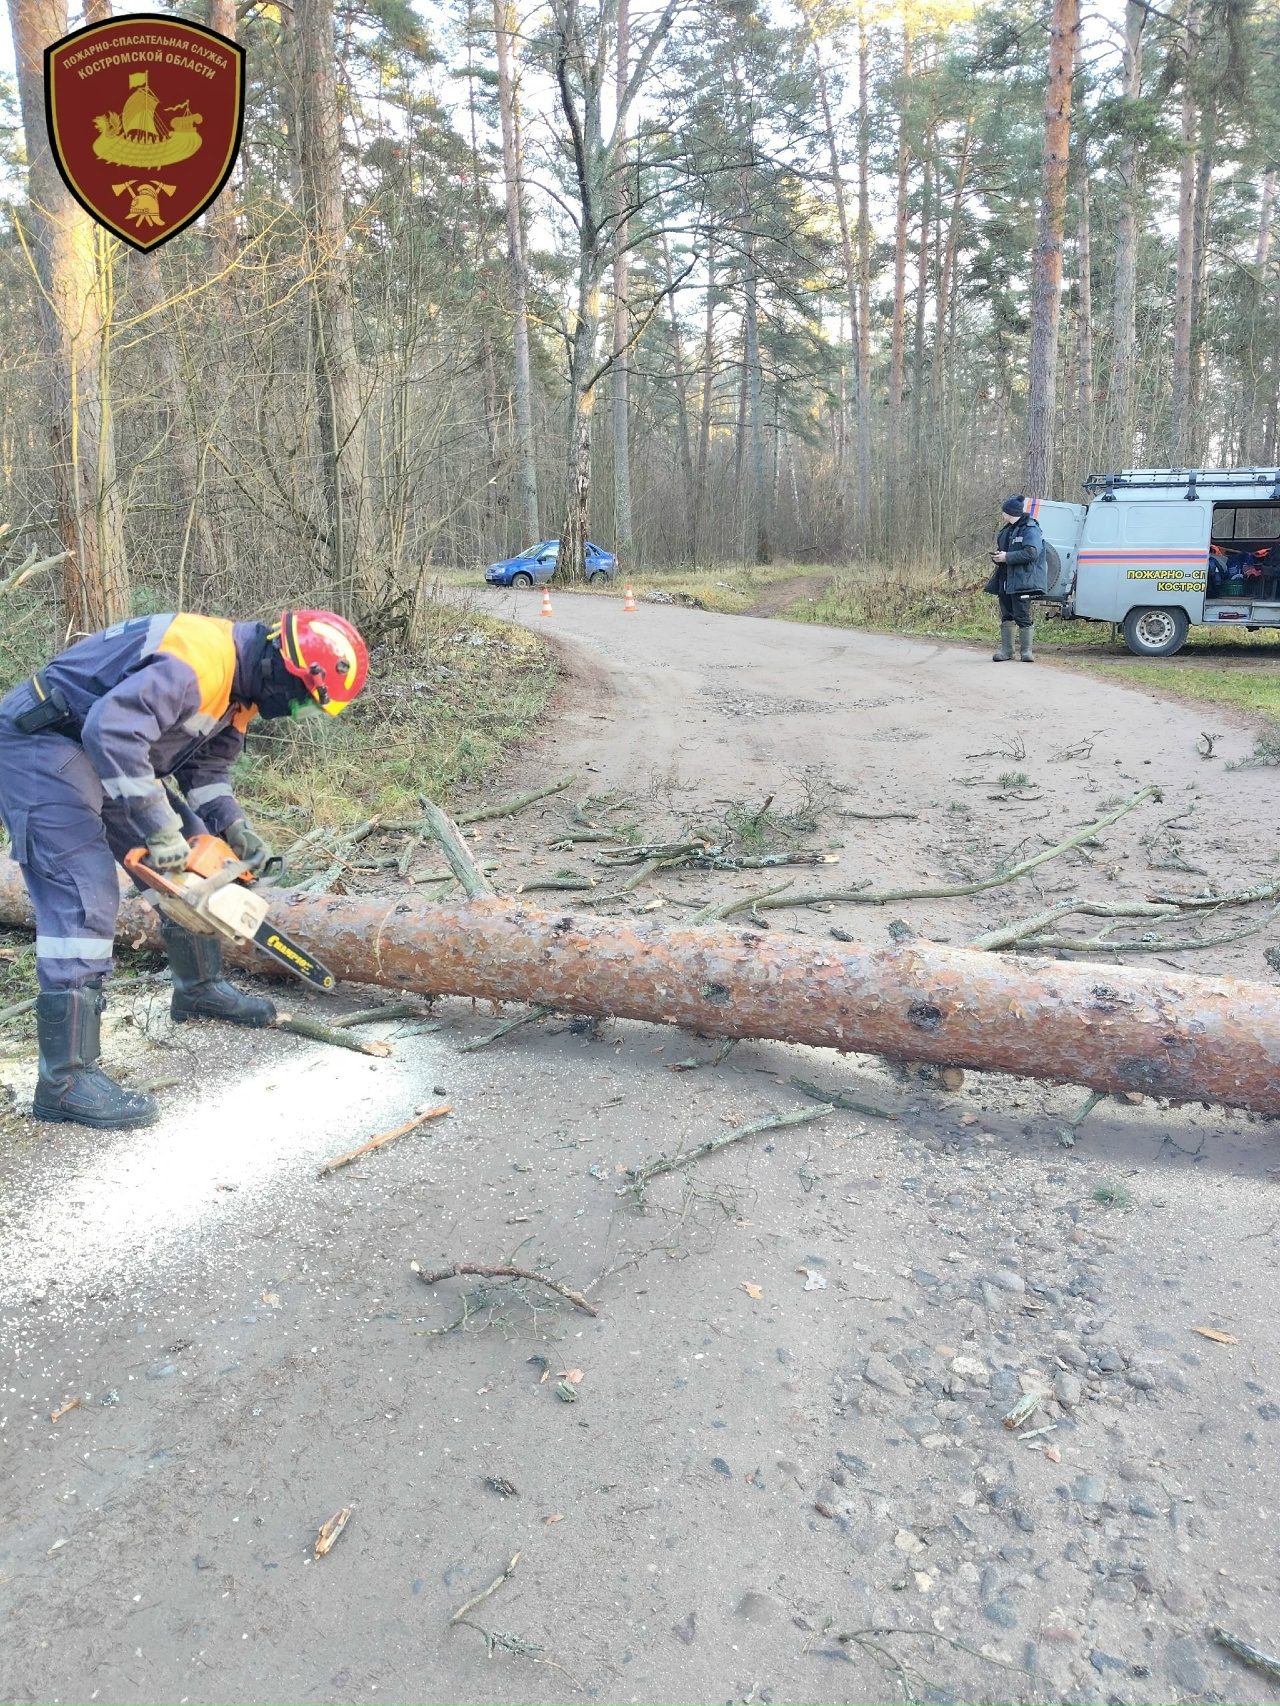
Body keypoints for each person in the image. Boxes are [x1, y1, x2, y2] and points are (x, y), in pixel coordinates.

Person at [0, 609, 368, 1128]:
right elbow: (112, 727)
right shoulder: (202, 660)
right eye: (306, 700)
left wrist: (233, 829)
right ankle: (64, 1078)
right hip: (43, 744)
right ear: (284, 668)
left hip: (103, 751)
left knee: (198, 858)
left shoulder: (240, 694)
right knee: (85, 892)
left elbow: (207, 771)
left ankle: (199, 990)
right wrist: (157, 826)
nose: (297, 712)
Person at [986, 496, 1047, 662]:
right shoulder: (1006, 530)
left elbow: (1031, 553)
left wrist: (1007, 557)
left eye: (1004, 511)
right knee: (1007, 615)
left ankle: (1026, 652)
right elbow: (1004, 552)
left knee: (1022, 615)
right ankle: (1007, 651)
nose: (1002, 513)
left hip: (1023, 581)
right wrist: (998, 557)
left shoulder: (1030, 529)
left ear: (1009, 512)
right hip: (1005, 579)